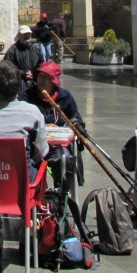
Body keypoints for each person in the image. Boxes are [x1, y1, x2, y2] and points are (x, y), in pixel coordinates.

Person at [0, 61, 49, 266]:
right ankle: (26, 238)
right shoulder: (32, 113)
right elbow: (42, 152)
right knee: (38, 174)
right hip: (20, 185)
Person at [22, 60, 86, 188]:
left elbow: (76, 119)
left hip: (58, 146)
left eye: (46, 77)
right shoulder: (27, 96)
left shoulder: (65, 96)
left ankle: (62, 193)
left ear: (54, 80)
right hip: (35, 146)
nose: (42, 81)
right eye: (40, 76)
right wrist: (43, 126)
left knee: (65, 159)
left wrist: (68, 127)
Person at [3, 25, 41, 91]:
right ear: (19, 35)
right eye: (24, 34)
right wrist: (23, 73)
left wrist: (34, 73)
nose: (26, 36)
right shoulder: (12, 50)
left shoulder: (36, 50)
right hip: (18, 85)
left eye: (28, 34)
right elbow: (7, 66)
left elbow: (41, 64)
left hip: (34, 84)